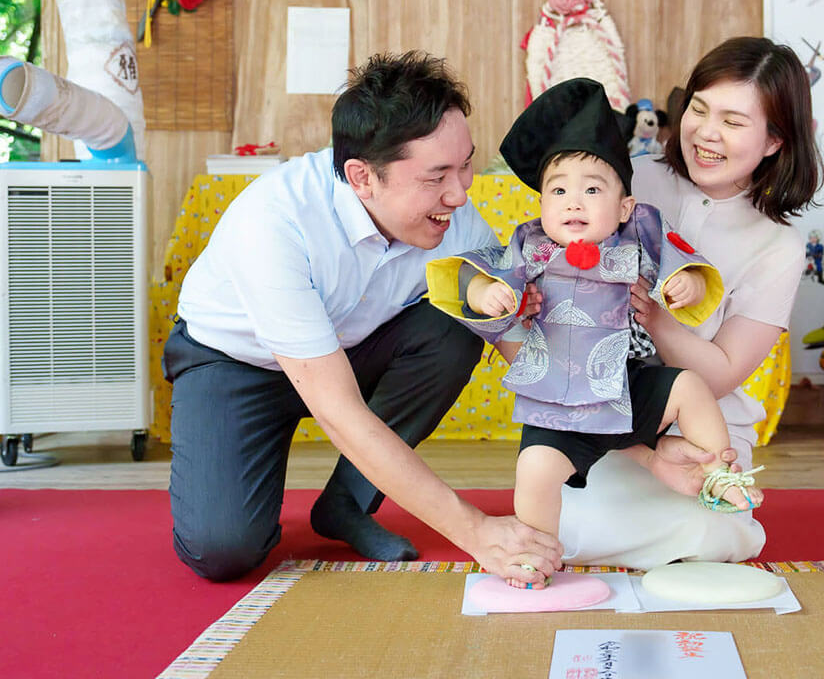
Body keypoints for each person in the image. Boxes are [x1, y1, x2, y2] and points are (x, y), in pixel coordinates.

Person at [163, 52, 562, 586]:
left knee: (463, 318)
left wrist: (623, 432)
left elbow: (517, 337)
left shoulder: (452, 215)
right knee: (223, 550)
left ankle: (345, 504)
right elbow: (339, 411)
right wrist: (477, 533)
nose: (460, 193)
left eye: (465, 164)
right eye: (436, 176)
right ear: (361, 176)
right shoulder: (274, 223)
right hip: (236, 365)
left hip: (351, 349)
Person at [426, 80, 764, 585]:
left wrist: (686, 285)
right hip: (555, 402)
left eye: (592, 188)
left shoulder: (641, 230)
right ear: (541, 203)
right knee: (535, 474)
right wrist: (486, 296)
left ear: (624, 207)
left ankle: (719, 472)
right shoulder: (530, 244)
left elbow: (681, 258)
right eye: (558, 189)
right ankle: (535, 552)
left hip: (626, 388)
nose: (573, 202)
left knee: (688, 387)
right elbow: (485, 273)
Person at [555, 36, 823, 568]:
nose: (707, 133)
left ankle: (705, 521)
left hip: (703, 424)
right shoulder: (630, 179)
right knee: (569, 523)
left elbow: (722, 373)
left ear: (774, 140)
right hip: (604, 406)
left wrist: (651, 316)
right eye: (699, 108)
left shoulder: (779, 245)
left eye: (734, 121)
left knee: (710, 533)